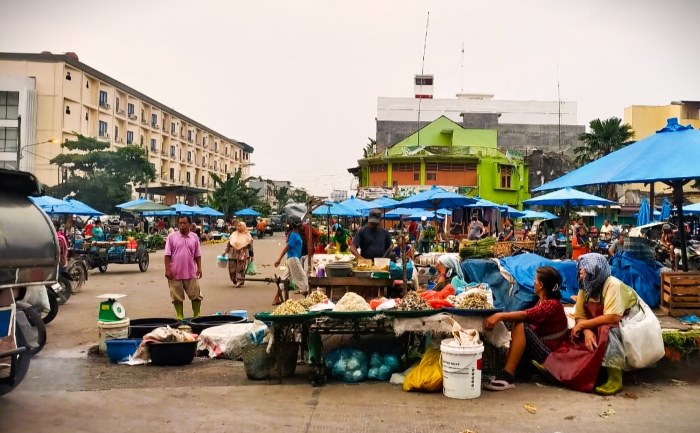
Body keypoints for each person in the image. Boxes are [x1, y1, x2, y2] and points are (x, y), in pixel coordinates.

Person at [542, 253, 642, 395]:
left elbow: (613, 318)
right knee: (576, 335)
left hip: (627, 322)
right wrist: (586, 330)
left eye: (583, 270)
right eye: (581, 269)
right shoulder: (585, 287)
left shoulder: (613, 285)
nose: (580, 273)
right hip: (599, 320)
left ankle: (615, 376)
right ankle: (559, 370)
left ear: (594, 271)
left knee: (606, 331)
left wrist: (584, 325)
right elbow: (580, 314)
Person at [483, 266, 568, 391]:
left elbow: (526, 315)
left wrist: (499, 316)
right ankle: (517, 370)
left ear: (541, 285)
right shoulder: (541, 302)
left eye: (535, 279)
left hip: (552, 356)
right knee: (513, 337)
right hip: (542, 348)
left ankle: (508, 376)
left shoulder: (553, 305)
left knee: (520, 324)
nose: (533, 282)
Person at [164, 215, 203, 320]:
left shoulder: (194, 237)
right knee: (177, 297)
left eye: (184, 223)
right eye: (180, 223)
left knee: (196, 295)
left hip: (191, 272)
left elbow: (198, 254)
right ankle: (180, 315)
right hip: (175, 272)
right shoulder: (171, 237)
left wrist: (199, 268)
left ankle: (196, 315)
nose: (182, 225)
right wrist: (167, 270)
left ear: (189, 224)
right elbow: (167, 255)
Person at [274, 218, 309, 302]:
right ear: (298, 226)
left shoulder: (296, 234)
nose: (302, 226)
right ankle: (307, 299)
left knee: (285, 279)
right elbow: (287, 248)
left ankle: (276, 298)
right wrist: (279, 259)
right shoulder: (294, 235)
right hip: (293, 258)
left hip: (292, 259)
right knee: (303, 277)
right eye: (301, 225)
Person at [223, 221, 254, 288]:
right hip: (232, 253)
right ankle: (234, 280)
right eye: (237, 226)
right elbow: (229, 244)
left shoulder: (247, 235)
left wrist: (252, 256)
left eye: (240, 226)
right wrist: (225, 252)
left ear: (243, 227)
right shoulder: (233, 234)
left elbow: (250, 247)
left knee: (240, 269)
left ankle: (240, 280)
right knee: (232, 269)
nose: (238, 227)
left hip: (242, 254)